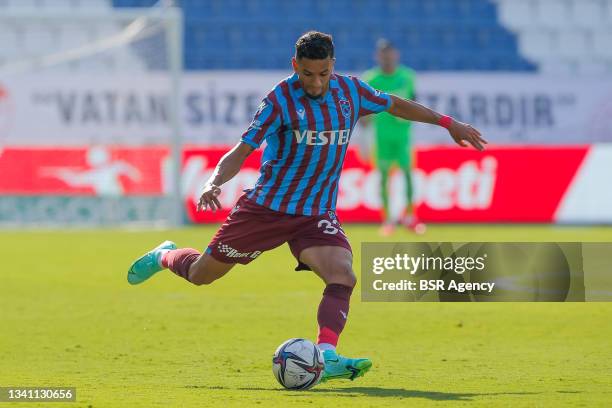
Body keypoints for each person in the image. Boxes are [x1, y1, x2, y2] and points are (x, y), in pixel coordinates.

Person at [127, 31, 486, 383]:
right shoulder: (278, 100)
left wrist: (448, 123)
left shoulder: (351, 91)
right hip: (267, 210)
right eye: (307, 74)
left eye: (323, 73)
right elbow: (242, 149)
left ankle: (326, 355)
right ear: (294, 65)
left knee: (343, 274)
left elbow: (395, 104)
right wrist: (213, 182)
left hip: (315, 214)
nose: (315, 83)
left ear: (333, 65)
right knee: (201, 275)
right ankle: (165, 256)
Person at [362, 39, 421, 236]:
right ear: (377, 56)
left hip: (403, 136)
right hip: (382, 136)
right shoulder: (371, 78)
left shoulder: (407, 76)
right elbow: (365, 109)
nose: (387, 58)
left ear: (396, 55)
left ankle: (411, 217)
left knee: (407, 174)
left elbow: (414, 102)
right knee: (384, 177)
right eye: (383, 54)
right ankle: (388, 220)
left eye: (389, 54)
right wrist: (364, 123)